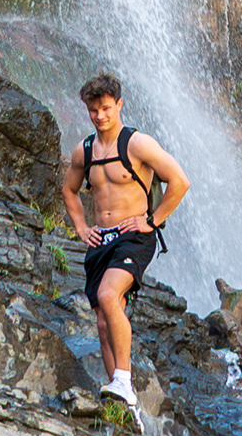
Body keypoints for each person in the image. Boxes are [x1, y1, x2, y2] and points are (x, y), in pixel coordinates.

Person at [58, 73, 189, 401]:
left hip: (134, 237)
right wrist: (81, 228)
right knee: (103, 320)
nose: (100, 116)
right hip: (100, 239)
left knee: (107, 294)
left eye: (105, 108)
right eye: (93, 110)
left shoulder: (137, 143)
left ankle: (123, 379)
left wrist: (153, 220)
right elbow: (69, 190)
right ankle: (121, 393)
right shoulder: (84, 151)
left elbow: (180, 181)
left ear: (119, 105)